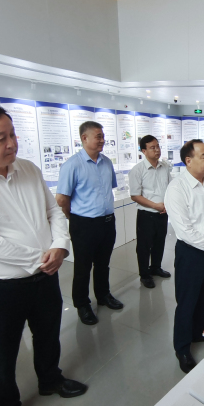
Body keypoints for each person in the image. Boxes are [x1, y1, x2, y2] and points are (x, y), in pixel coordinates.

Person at [0, 105, 87, 406]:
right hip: (0, 289)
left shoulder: (28, 169)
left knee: (48, 336)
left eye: (13, 134)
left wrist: (60, 246)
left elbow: (53, 211)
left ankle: (50, 380)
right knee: (2, 354)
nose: (11, 143)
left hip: (44, 279)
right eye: (1, 138)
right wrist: (43, 258)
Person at [165, 139, 204, 373]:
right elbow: (185, 230)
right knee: (187, 302)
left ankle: (198, 331)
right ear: (188, 160)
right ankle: (182, 348)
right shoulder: (177, 189)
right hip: (192, 253)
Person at [56, 121, 123, 326]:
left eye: (103, 136)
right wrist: (74, 218)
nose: (102, 140)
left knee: (103, 263)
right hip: (83, 224)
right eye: (98, 136)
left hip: (107, 222)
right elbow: (62, 199)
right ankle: (82, 304)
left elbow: (109, 189)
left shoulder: (106, 163)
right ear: (84, 138)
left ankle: (103, 295)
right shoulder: (72, 165)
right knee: (83, 267)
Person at [129, 135, 172, 288]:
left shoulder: (164, 167)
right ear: (144, 151)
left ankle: (156, 267)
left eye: (158, 146)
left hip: (163, 213)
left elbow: (170, 187)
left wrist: (167, 205)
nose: (157, 150)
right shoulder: (137, 170)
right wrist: (155, 205)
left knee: (160, 242)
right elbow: (135, 195)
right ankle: (144, 274)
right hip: (146, 214)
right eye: (152, 147)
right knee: (144, 246)